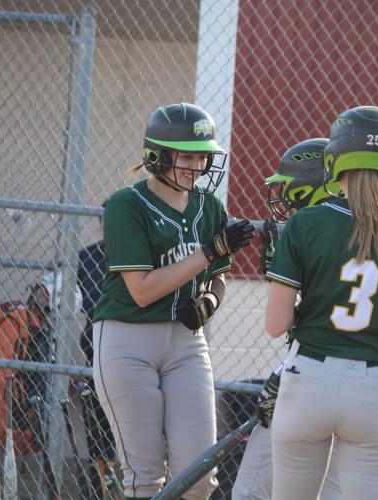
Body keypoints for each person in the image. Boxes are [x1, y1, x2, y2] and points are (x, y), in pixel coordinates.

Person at [264, 105, 378, 500]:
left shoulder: (307, 222)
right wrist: (374, 342)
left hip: (307, 379)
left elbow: (276, 324)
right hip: (373, 386)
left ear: (334, 158)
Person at [91, 102, 255, 499]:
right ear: (158, 155)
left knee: (200, 475)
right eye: (188, 156)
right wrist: (209, 251)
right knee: (144, 478)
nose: (197, 166)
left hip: (186, 342)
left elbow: (216, 280)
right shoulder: (126, 205)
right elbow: (142, 290)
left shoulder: (209, 206)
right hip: (128, 340)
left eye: (202, 156)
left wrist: (208, 305)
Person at [232, 137, 344, 500]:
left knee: (250, 492)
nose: (282, 197)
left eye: (289, 185)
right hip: (366, 389)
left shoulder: (307, 231)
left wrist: (284, 373)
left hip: (311, 376)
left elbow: (280, 324)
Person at [76, 199, 118, 495]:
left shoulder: (143, 255)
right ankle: (99, 481)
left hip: (134, 347)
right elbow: (80, 299)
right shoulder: (87, 257)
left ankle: (125, 477)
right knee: (96, 417)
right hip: (96, 345)